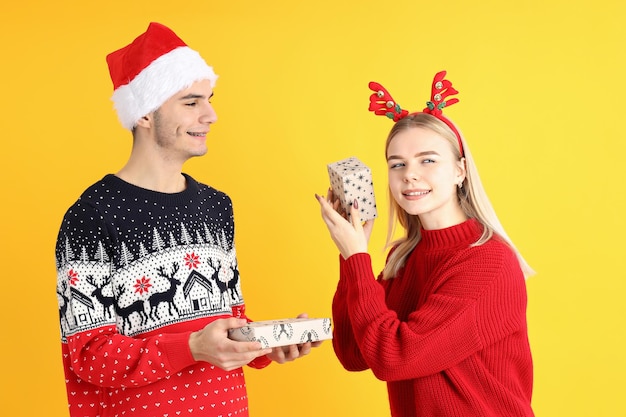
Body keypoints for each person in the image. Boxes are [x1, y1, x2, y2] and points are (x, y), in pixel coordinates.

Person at [55, 22, 318, 417]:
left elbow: (225, 322)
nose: (211, 115)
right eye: (192, 102)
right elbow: (88, 356)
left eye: (209, 99)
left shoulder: (217, 207)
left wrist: (264, 344)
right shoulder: (92, 216)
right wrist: (192, 347)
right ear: (145, 114)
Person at [316, 71, 535, 417]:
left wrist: (357, 256)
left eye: (427, 160)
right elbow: (353, 353)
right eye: (397, 164)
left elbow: (395, 358)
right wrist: (351, 256)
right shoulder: (402, 259)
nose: (409, 174)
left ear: (460, 171)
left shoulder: (487, 262)